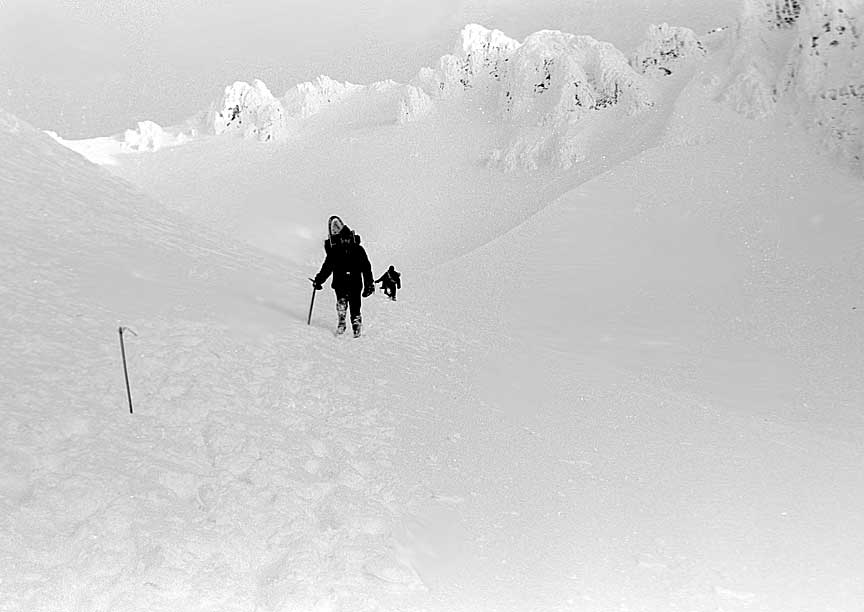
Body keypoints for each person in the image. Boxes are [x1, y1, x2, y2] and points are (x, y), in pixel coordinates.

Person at [313, 224, 374, 337]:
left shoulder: (358, 250)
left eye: (347, 238)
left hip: (354, 283)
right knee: (342, 303)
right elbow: (327, 267)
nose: (345, 240)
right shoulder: (335, 251)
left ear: (351, 237)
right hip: (340, 282)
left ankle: (356, 325)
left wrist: (369, 284)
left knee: (355, 306)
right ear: (340, 238)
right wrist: (319, 280)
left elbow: (366, 268)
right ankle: (342, 322)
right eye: (343, 238)